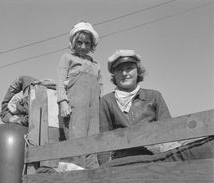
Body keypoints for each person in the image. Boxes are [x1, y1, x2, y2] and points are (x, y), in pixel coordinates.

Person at [99, 49, 214, 162]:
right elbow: (103, 142)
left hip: (156, 157)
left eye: (129, 68)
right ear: (114, 75)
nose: (124, 73)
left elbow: (168, 131)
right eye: (119, 70)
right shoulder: (107, 101)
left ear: (138, 71)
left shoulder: (154, 96)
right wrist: (105, 173)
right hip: (123, 160)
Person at [56, 21, 102, 168]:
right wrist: (63, 101)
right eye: (79, 42)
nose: (83, 47)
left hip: (93, 107)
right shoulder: (67, 58)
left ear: (92, 45)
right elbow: (59, 80)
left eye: (87, 43)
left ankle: (92, 169)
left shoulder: (96, 65)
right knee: (77, 136)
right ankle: (75, 170)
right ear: (73, 43)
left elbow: (100, 85)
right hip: (76, 105)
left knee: (93, 137)